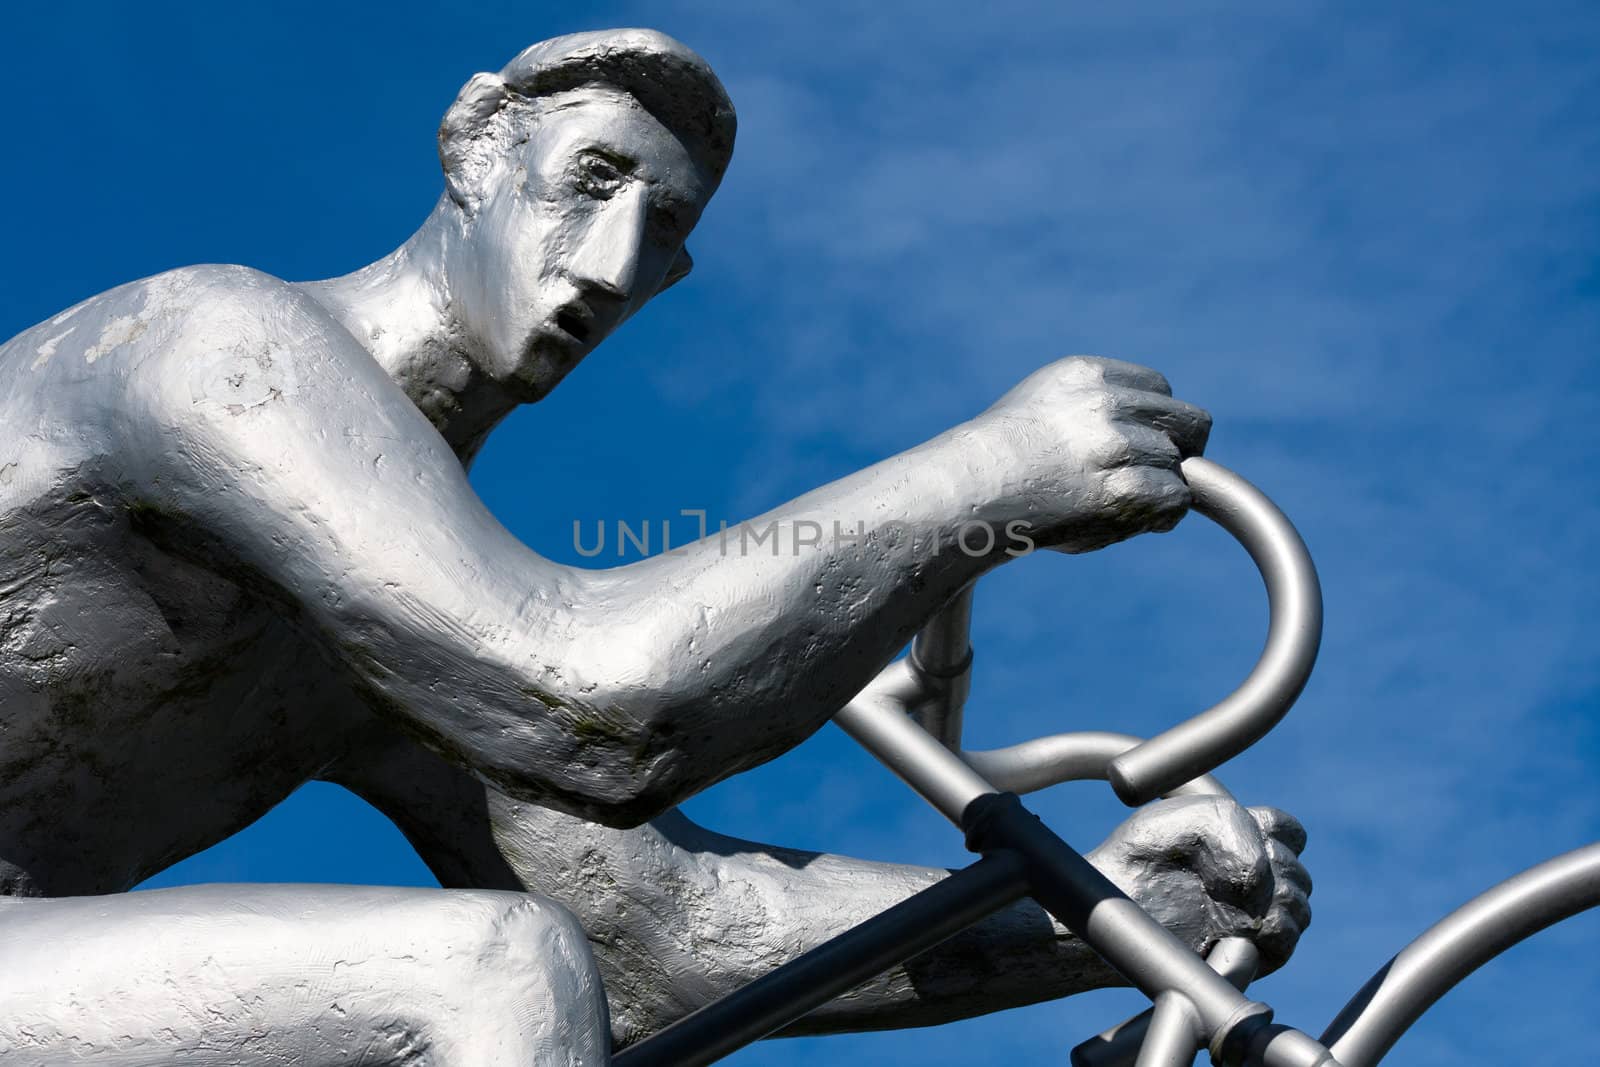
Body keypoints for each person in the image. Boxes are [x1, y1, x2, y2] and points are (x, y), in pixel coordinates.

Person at [0, 28, 1307, 1063]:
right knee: (488, 971)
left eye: (663, 232)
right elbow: (594, 695)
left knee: (521, 967)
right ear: (475, 149)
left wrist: (1103, 918)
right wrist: (992, 471)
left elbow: (658, 937)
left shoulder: (391, 591)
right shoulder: (217, 349)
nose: (617, 263)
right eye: (593, 182)